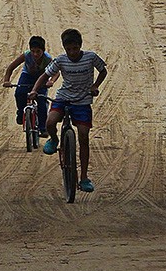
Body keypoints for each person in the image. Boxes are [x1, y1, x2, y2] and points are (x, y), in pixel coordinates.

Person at [29, 27, 107, 193]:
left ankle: (84, 177)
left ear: (80, 46)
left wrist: (95, 86)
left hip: (83, 101)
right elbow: (44, 75)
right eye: (68, 49)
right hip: (64, 98)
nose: (72, 52)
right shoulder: (60, 60)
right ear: (64, 48)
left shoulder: (91, 57)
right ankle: (55, 139)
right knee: (50, 122)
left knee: (84, 137)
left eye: (75, 48)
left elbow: (103, 71)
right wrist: (35, 89)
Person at [1, 36, 51, 124]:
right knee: (19, 93)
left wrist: (51, 81)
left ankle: (43, 127)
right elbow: (11, 67)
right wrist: (6, 80)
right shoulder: (26, 55)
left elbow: (56, 72)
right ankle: (21, 113)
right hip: (27, 76)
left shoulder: (48, 59)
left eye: (38, 51)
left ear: (43, 51)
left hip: (42, 78)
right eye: (33, 51)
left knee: (41, 100)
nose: (35, 54)